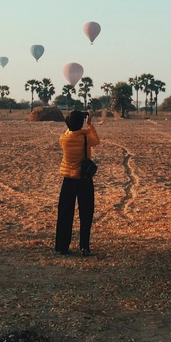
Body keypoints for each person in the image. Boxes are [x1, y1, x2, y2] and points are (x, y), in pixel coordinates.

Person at [55, 109, 99, 256]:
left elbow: (71, 131)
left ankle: (62, 246)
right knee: (86, 213)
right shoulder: (85, 138)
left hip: (68, 179)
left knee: (65, 213)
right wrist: (90, 125)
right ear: (81, 123)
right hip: (83, 179)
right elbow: (96, 140)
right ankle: (84, 246)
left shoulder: (63, 139)